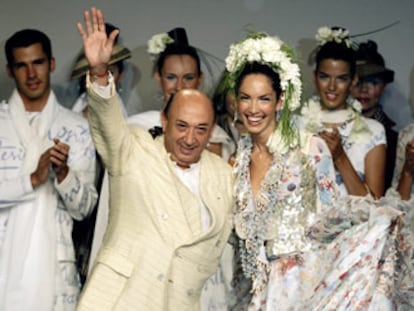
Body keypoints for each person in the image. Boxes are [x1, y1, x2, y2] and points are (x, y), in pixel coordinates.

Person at [225, 31, 404, 310]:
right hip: (249, 290)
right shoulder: (236, 161)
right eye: (246, 98)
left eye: (264, 99)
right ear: (236, 101)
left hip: (302, 286)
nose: (253, 108)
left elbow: (334, 217)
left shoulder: (310, 148)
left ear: (280, 100)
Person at [75, 7, 233, 311]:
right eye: (182, 127)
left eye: (201, 129)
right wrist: (98, 73)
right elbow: (108, 124)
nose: (190, 139)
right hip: (122, 300)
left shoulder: (222, 173)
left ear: (212, 129)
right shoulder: (134, 145)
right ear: (164, 119)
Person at [0, 29, 97, 311]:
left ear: (51, 64)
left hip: (56, 269)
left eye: (38, 63)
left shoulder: (77, 129)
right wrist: (33, 179)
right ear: (10, 70)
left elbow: (85, 208)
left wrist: (64, 175)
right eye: (22, 65)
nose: (31, 73)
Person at [301, 26, 386, 199]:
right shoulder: (298, 126)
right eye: (325, 77)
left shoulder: (373, 131)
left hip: (356, 225)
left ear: (353, 80)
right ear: (314, 77)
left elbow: (375, 204)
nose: (332, 87)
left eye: (341, 78)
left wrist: (340, 157)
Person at [351, 40, 398, 194]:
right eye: (359, 81)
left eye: (372, 82)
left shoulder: (394, 139)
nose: (364, 89)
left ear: (383, 87)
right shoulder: (331, 130)